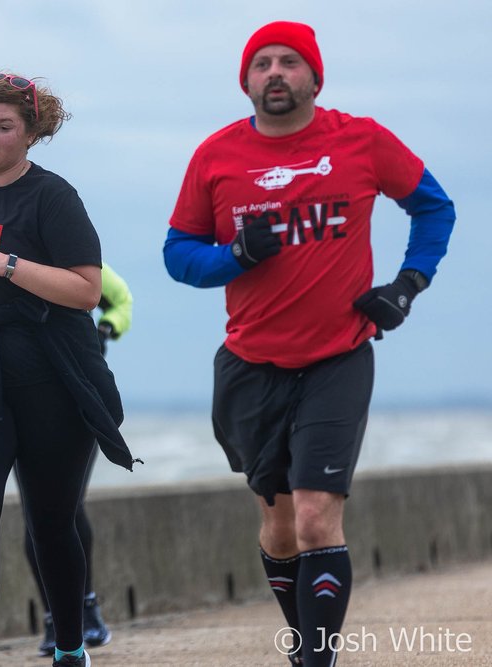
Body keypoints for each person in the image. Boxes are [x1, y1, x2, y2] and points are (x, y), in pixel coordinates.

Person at [163, 21, 454, 666]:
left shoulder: (363, 141)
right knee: (282, 525)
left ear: (314, 78)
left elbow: (435, 208)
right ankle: (305, 644)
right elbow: (177, 256)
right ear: (245, 81)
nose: (275, 73)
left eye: (289, 63)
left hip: (338, 357)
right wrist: (234, 255)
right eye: (262, 64)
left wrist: (407, 284)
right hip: (250, 364)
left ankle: (316, 658)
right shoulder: (216, 156)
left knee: (319, 516)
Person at [0, 72, 137, 667]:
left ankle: (70, 648)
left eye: (3, 127)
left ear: (33, 132)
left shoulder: (54, 198)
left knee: (51, 521)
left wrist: (5, 264)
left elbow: (87, 290)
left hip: (50, 372)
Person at [25, 262, 132, 656]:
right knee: (34, 517)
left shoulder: (78, 258)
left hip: (77, 393)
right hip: (25, 395)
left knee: (68, 509)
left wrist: (107, 329)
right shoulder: (5, 255)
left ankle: (86, 607)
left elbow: (121, 299)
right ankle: (55, 619)